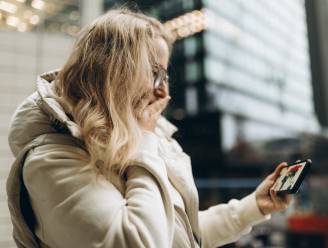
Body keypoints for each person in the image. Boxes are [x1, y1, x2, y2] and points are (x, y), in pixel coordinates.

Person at [6, 8, 292, 248]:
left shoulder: (148, 138)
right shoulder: (51, 160)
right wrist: (143, 137)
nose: (164, 90)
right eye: (155, 73)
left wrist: (253, 207)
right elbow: (139, 240)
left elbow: (180, 233)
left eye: (166, 75)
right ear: (116, 72)